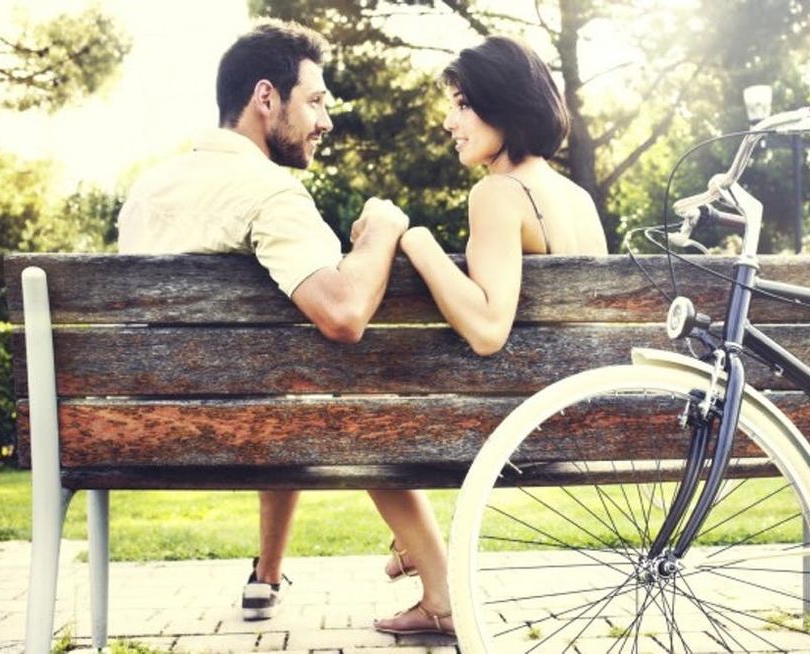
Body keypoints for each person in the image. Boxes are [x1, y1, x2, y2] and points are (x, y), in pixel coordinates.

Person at [117, 19, 409, 621]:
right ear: (266, 96)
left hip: (133, 431)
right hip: (256, 428)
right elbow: (344, 314)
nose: (326, 121)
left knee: (279, 383)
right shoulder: (268, 192)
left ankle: (266, 574)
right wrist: (380, 232)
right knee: (299, 385)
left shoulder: (147, 189)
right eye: (317, 101)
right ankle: (421, 558)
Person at [369, 35, 607, 636]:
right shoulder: (575, 195)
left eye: (462, 104)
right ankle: (419, 566)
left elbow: (486, 329)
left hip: (518, 422)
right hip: (582, 409)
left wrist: (417, 242)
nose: (449, 121)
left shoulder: (499, 193)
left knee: (365, 431)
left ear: (504, 106)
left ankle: (431, 578)